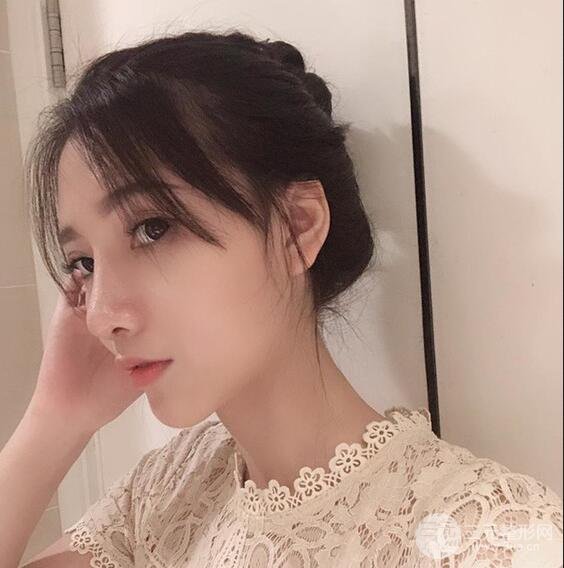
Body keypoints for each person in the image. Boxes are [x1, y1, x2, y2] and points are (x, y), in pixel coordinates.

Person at [1, 29, 561, 568]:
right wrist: (54, 422)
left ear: (297, 225)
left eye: (152, 228)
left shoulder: (486, 539)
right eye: (84, 263)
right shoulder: (166, 495)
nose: (101, 315)